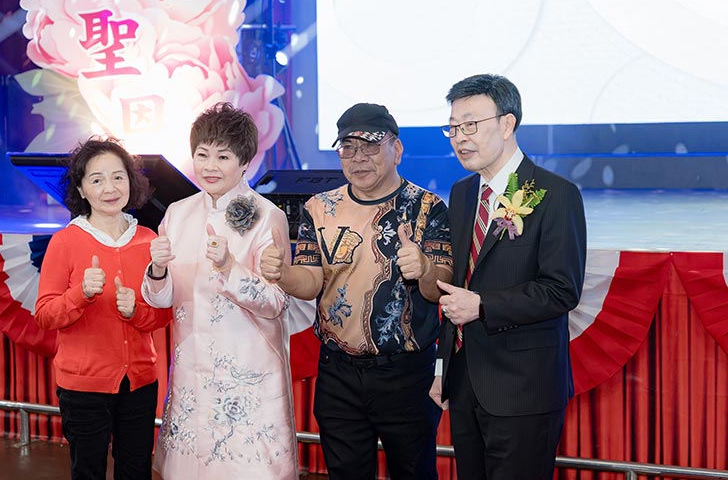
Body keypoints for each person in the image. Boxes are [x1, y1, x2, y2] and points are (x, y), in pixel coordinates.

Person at [260, 103, 453, 480]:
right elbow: (311, 282)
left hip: (406, 374)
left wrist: (425, 269)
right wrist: (283, 274)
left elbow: (439, 288)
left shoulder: (428, 208)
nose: (358, 157)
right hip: (338, 373)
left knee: (414, 472)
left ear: (396, 149)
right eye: (348, 148)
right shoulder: (320, 208)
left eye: (370, 146)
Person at [429, 74, 587, 479]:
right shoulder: (463, 193)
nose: (459, 138)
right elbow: (459, 284)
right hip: (465, 383)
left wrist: (483, 306)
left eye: (470, 125)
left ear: (506, 124)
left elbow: (561, 289)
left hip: (524, 388)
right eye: (453, 127)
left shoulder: (556, 194)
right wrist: (443, 369)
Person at [141, 102, 298, 479]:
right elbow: (163, 299)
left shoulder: (266, 216)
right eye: (202, 154)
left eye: (223, 156)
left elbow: (276, 302)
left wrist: (230, 267)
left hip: (247, 372)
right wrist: (157, 270)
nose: (210, 166)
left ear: (245, 163)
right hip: (191, 370)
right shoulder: (177, 213)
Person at [35, 137, 173, 480]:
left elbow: (163, 314)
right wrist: (80, 294)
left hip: (139, 383)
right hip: (83, 387)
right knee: (88, 471)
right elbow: (45, 315)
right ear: (81, 189)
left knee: (136, 470)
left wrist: (135, 311)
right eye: (97, 180)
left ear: (131, 181)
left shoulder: (149, 240)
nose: (109, 188)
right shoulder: (65, 242)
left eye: (118, 177)